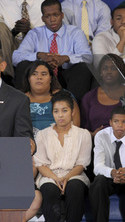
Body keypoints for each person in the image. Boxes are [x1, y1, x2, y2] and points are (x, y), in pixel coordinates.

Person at [13, 0, 93, 103]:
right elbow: (16, 57)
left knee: (83, 68)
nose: (52, 19)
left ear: (62, 15)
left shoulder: (75, 32)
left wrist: (66, 58)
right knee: (22, 65)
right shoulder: (35, 34)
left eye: (56, 15)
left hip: (65, 75)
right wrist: (39, 56)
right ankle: (24, 105)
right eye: (48, 16)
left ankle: (74, 106)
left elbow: (88, 57)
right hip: (41, 75)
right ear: (42, 18)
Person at [34, 90, 92, 222]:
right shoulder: (43, 135)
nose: (60, 115)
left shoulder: (83, 134)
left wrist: (66, 178)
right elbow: (41, 165)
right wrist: (56, 178)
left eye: (64, 111)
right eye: (56, 111)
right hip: (49, 175)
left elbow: (81, 164)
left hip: (74, 174)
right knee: (49, 190)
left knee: (75, 188)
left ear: (72, 112)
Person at [89, 106, 125, 221]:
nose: (120, 125)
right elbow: (98, 167)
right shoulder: (101, 136)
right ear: (110, 122)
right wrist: (112, 173)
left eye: (124, 121)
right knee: (98, 182)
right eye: (116, 121)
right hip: (110, 178)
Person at [82, 54, 125, 133]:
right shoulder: (89, 97)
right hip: (96, 143)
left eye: (113, 68)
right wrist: (92, 135)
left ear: (121, 72)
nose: (109, 72)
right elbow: (83, 129)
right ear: (100, 72)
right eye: (105, 68)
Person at [21, 60, 80, 131]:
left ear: (51, 78)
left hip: (60, 139)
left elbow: (75, 124)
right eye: (34, 74)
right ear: (28, 78)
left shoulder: (64, 96)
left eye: (44, 74)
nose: (39, 77)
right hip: (27, 139)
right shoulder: (19, 98)